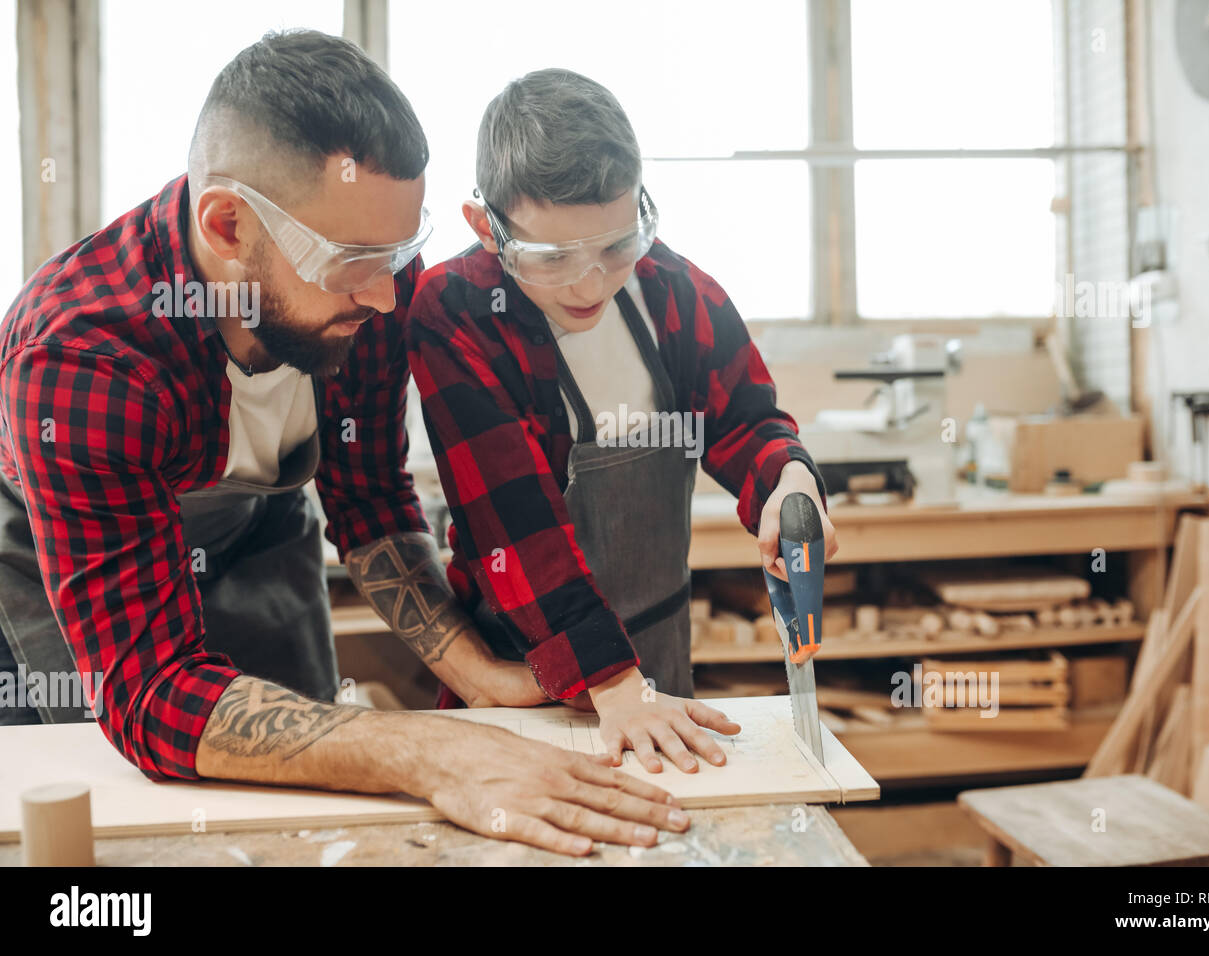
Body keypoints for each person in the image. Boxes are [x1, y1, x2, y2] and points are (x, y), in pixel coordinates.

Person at [0, 33, 684, 856]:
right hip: (61, 553)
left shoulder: (371, 282)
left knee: (300, 809)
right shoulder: (83, 358)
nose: (391, 296)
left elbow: (367, 497)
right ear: (226, 227)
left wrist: (482, 685)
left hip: (259, 527)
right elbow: (150, 695)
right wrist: (423, 749)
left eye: (400, 252)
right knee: (110, 814)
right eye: (357, 261)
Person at [407, 69, 838, 775]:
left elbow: (746, 423)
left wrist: (789, 481)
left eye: (615, 246)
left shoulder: (678, 291)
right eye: (554, 259)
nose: (592, 283)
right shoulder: (452, 312)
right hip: (527, 676)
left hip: (658, 665)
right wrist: (614, 685)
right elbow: (517, 528)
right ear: (488, 228)